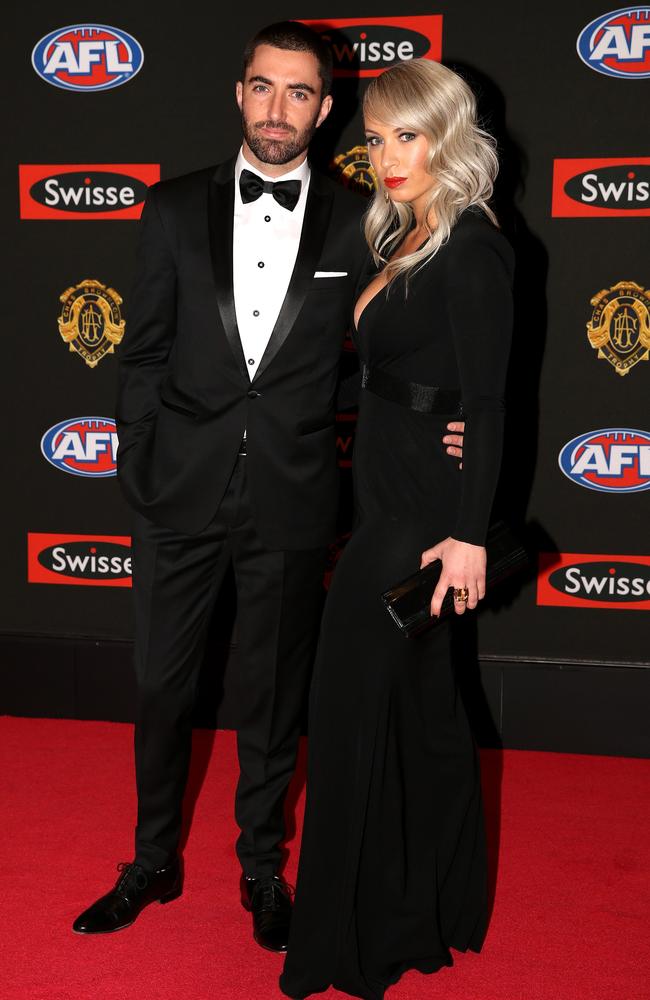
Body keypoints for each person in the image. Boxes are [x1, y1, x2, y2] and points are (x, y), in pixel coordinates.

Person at [72, 25, 465, 952]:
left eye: (299, 94)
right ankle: (151, 859)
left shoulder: (357, 220)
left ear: (327, 111)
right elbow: (144, 354)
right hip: (177, 496)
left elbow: (378, 358)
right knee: (161, 689)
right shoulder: (169, 211)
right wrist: (139, 464)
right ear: (238, 94)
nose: (277, 109)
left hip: (290, 498)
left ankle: (260, 866)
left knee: (271, 699)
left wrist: (443, 413)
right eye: (263, 88)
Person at [280, 58, 514, 1000]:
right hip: (387, 497)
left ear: (447, 136)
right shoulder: (406, 234)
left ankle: (356, 934)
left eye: (407, 136)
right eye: (376, 139)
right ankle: (431, 908)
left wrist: (470, 536)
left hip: (419, 520)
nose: (388, 157)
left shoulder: (473, 248)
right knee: (422, 720)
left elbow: (491, 403)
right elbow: (390, 379)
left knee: (350, 717)